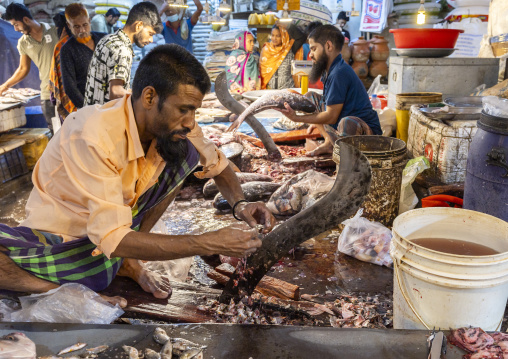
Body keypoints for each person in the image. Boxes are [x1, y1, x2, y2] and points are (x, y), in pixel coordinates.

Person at [0, 44, 274, 305]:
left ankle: (127, 261)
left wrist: (241, 204)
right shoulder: (94, 134)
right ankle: (58, 288)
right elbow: (112, 238)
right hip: (66, 230)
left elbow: (219, 165)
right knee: (93, 275)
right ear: (150, 97)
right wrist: (207, 241)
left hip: (114, 221)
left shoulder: (174, 126)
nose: (191, 121)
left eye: (194, 111)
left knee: (185, 152)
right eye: (183, 109)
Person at [276, 25, 382, 156]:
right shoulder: (331, 70)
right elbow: (326, 108)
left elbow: (331, 117)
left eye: (314, 49)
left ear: (328, 46)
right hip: (345, 128)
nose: (311, 54)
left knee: (347, 122)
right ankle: (329, 143)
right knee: (310, 98)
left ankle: (347, 163)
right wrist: (313, 120)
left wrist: (297, 118)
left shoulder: (339, 72)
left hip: (368, 136)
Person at [84, 2, 163, 106]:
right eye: (150, 34)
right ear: (138, 26)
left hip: (92, 114)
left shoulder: (108, 39)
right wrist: (144, 96)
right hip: (104, 118)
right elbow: (116, 92)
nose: (151, 40)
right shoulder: (122, 49)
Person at [1, 3, 59, 132]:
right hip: (47, 95)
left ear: (26, 20)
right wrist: (4, 86)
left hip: (66, 91)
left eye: (16, 24)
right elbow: (23, 69)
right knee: (55, 133)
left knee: (74, 131)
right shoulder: (23, 42)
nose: (15, 29)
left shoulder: (55, 31)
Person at [60, 3, 106, 109]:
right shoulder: (67, 50)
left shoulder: (104, 39)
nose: (82, 30)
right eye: (76, 27)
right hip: (89, 106)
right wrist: (87, 109)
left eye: (85, 25)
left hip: (112, 103)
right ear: (68, 25)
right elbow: (70, 87)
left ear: (89, 21)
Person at [49, 11, 75, 120]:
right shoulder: (86, 41)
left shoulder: (61, 46)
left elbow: (56, 72)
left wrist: (53, 97)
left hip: (67, 95)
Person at [259, 25, 298, 90]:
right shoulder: (266, 50)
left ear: (283, 36)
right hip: (269, 91)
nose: (274, 38)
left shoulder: (289, 49)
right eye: (272, 35)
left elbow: (301, 37)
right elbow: (261, 73)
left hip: (287, 90)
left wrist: (286, 24)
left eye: (278, 36)